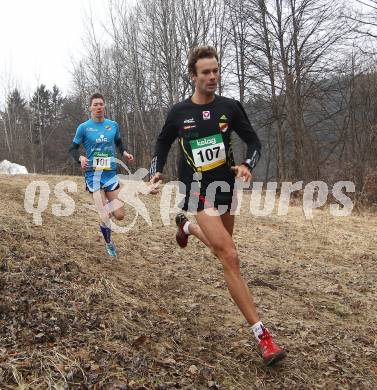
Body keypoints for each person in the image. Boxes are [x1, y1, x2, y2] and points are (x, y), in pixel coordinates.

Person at [149, 46, 286, 365]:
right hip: (196, 189)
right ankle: (263, 337)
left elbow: (254, 141)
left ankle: (186, 227)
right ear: (193, 76)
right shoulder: (179, 113)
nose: (212, 77)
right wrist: (156, 169)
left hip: (226, 187)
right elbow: (162, 141)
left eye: (215, 71)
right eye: (205, 72)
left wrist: (247, 164)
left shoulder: (230, 107)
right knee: (230, 255)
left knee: (219, 248)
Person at [69, 93, 134, 257]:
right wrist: (80, 158)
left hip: (110, 174)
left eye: (101, 104)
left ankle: (106, 217)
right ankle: (109, 243)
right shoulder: (83, 127)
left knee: (119, 215)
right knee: (105, 214)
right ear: (90, 108)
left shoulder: (112, 125)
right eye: (95, 104)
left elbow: (118, 142)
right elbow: (73, 148)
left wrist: (124, 152)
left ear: (104, 107)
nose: (98, 107)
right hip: (93, 175)